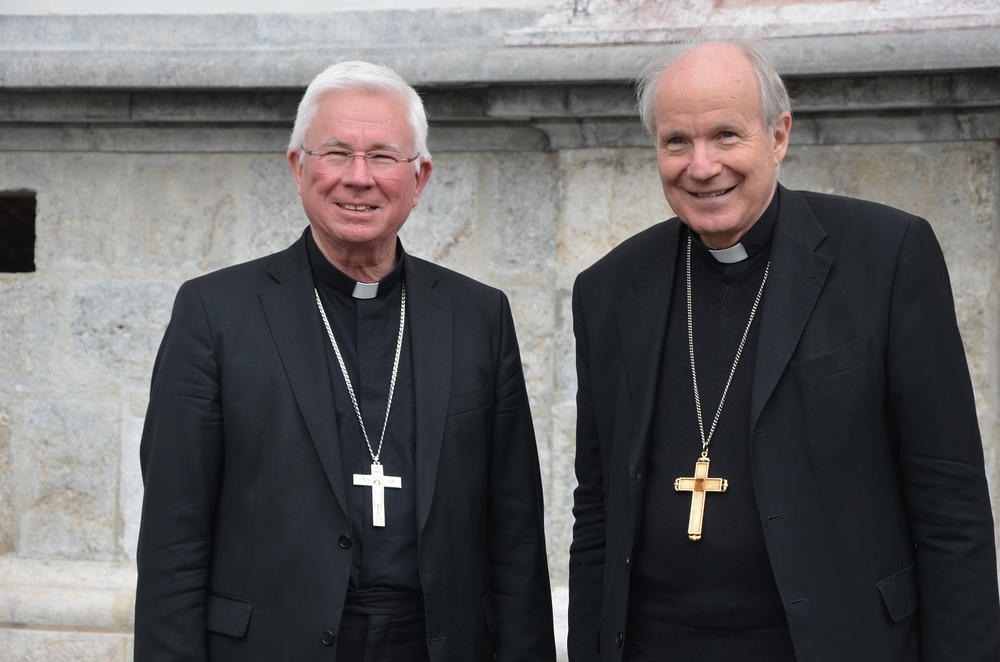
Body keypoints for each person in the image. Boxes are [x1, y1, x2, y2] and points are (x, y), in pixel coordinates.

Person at [568, 36, 1000, 662]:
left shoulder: (886, 256)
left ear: (777, 137)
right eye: (676, 142)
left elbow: (950, 501)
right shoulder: (608, 289)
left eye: (726, 135)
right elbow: (598, 509)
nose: (701, 165)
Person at [134, 60, 556, 662]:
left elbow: (515, 535)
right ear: (298, 167)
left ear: (421, 177)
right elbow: (174, 534)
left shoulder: (478, 316)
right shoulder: (215, 313)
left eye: (383, 156)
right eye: (336, 153)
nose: (359, 179)